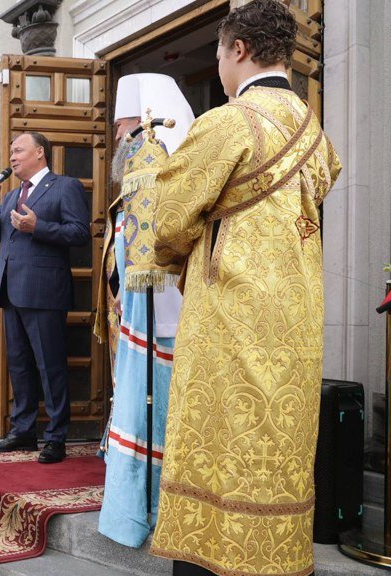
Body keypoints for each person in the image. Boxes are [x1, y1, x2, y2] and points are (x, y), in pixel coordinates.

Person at [147, 3, 342, 575]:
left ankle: (214, 558)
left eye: (217, 51)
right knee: (277, 448)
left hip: (231, 318)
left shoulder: (228, 121)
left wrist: (178, 252)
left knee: (222, 443)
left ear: (238, 49)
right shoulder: (313, 130)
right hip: (296, 319)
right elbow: (322, 184)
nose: (219, 64)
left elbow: (168, 219)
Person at [93, 74, 194, 549]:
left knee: (154, 398)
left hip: (163, 304)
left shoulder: (155, 157)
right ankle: (129, 503)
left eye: (123, 124)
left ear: (147, 121)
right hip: (138, 302)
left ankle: (145, 507)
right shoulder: (141, 159)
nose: (117, 135)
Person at [0, 131, 91, 464]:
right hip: (12, 291)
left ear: (39, 153)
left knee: (50, 366)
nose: (12, 157)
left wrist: (38, 227)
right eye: (11, 152)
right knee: (20, 367)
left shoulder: (64, 186)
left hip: (44, 293)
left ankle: (56, 437)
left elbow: (80, 233)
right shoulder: (11, 197)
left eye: (18, 151)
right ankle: (23, 432)